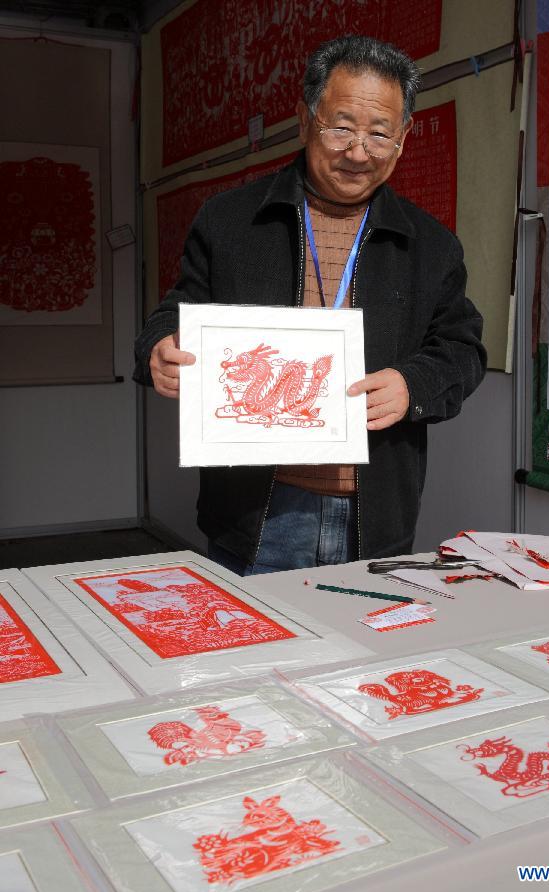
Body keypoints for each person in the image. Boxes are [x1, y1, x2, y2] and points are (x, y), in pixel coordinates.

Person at [134, 35, 487, 576]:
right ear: (305, 120)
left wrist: (413, 385)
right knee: (254, 653)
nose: (358, 151)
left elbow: (463, 350)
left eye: (379, 133)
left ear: (403, 137)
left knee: (362, 657)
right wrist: (159, 346)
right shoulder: (230, 221)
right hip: (257, 510)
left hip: (374, 514)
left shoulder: (430, 244)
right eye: (341, 126)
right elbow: (179, 309)